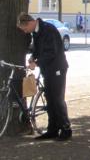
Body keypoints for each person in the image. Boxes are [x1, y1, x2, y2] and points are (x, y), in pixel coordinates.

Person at [17, 13, 72, 141]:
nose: (25, 32)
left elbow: (51, 52)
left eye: (25, 29)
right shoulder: (37, 31)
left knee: (57, 99)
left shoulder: (48, 29)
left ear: (30, 23)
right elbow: (39, 48)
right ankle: (53, 129)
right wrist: (33, 56)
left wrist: (36, 63)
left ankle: (66, 128)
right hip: (48, 69)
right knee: (50, 99)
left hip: (57, 68)